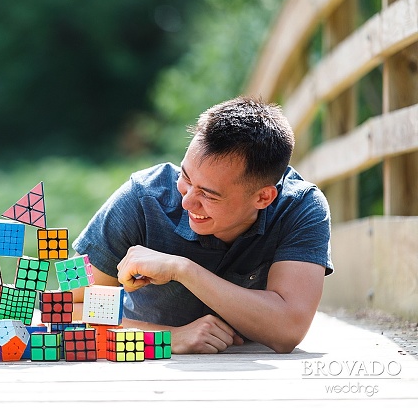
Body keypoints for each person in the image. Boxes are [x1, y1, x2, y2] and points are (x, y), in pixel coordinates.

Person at [72, 96, 333, 354]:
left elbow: (288, 330)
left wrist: (182, 269)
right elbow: (66, 309)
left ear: (263, 197)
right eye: (185, 177)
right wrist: (168, 338)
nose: (186, 202)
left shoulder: (302, 207)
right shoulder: (139, 199)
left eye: (208, 195)